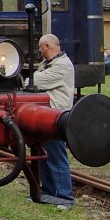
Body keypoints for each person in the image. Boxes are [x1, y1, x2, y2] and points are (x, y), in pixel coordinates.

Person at [32, 33, 75, 210]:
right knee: (45, 155)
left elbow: (35, 81)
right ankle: (48, 192)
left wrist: (29, 80)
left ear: (47, 47)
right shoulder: (48, 64)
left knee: (57, 156)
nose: (39, 50)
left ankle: (65, 197)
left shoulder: (62, 65)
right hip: (47, 115)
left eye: (41, 47)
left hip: (56, 117)